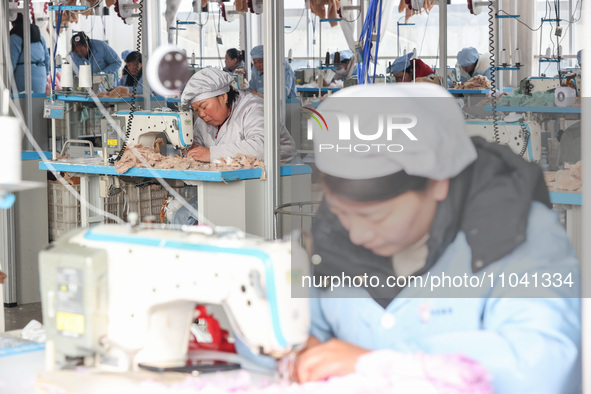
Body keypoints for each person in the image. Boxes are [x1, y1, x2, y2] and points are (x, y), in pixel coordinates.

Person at [291, 83, 580, 393]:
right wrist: (294, 346)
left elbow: (542, 366)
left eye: (375, 217)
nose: (356, 234)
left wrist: (385, 366)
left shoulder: (519, 232)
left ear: (438, 183)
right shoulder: (334, 233)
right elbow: (310, 326)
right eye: (341, 213)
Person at [181, 67, 297, 162]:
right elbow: (196, 146)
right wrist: (191, 150)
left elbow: (263, 147)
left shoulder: (253, 108)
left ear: (223, 97)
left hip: (279, 178)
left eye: (204, 106)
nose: (201, 114)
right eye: (195, 110)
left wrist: (211, 153)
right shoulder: (203, 120)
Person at [9, 13, 50, 94]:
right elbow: (47, 60)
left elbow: (11, 61)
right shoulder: (40, 38)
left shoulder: (15, 37)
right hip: (41, 75)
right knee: (38, 103)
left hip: (23, 75)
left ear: (14, 24)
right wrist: (45, 74)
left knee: (22, 104)